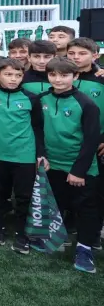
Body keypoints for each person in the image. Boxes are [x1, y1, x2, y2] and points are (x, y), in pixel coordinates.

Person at [38, 58, 100, 273]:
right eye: (53, 75)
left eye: (64, 75)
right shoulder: (42, 99)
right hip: (52, 164)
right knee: (57, 202)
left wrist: (78, 170)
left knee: (86, 209)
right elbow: (37, 129)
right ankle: (56, 238)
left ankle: (84, 249)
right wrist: (41, 155)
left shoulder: (86, 104)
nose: (58, 79)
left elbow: (91, 140)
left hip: (79, 168)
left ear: (75, 76)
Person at [0, 58, 46, 254]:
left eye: (18, 75)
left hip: (24, 156)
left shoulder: (31, 98)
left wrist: (40, 153)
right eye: (8, 74)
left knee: (23, 197)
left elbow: (38, 127)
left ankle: (22, 234)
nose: (13, 79)